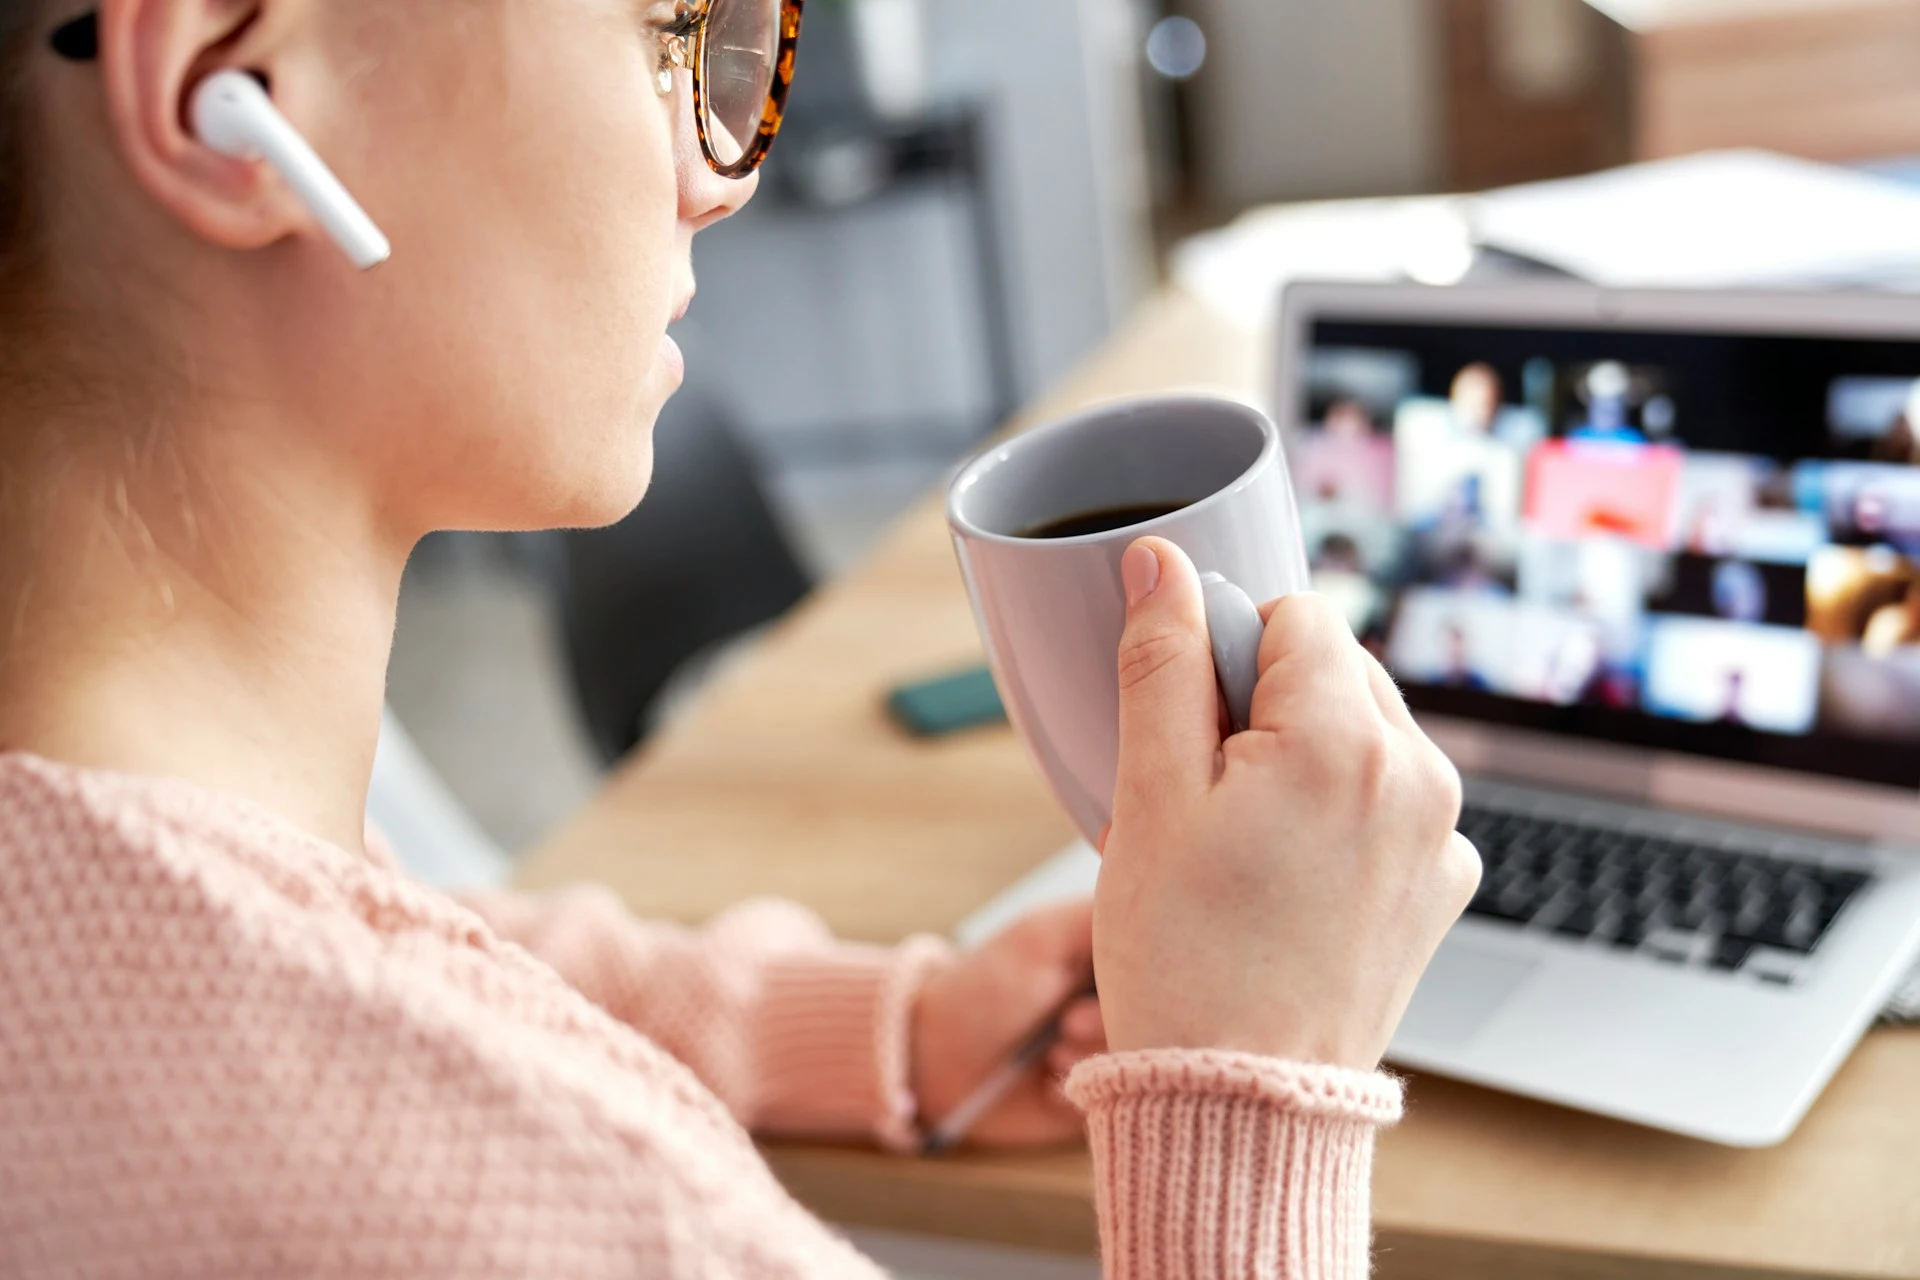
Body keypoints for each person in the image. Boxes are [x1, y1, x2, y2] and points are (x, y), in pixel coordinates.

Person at [0, 1, 1478, 1276]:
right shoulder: (591, 1222)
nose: (722, 177)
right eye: (670, 30)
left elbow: (373, 930)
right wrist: (1252, 1092)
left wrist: (883, 1027)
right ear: (227, 94)